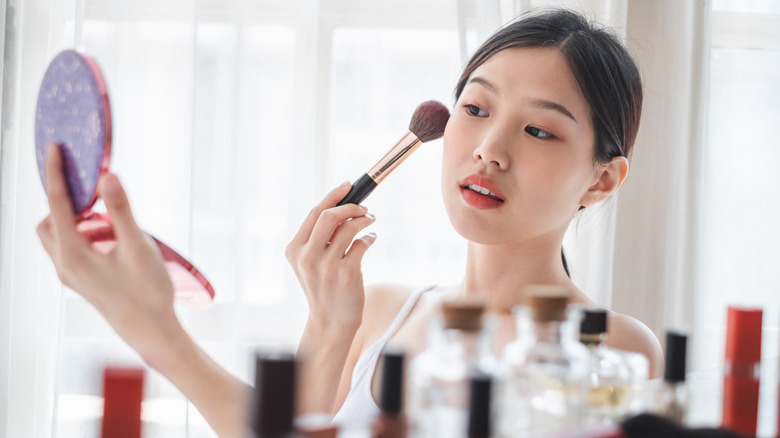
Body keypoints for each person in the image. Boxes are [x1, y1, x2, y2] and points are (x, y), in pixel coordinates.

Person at [37, 7, 663, 437]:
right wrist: (330, 327)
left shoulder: (613, 350)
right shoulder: (378, 311)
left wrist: (154, 328)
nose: (490, 149)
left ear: (602, 179)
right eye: (474, 107)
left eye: (538, 130)